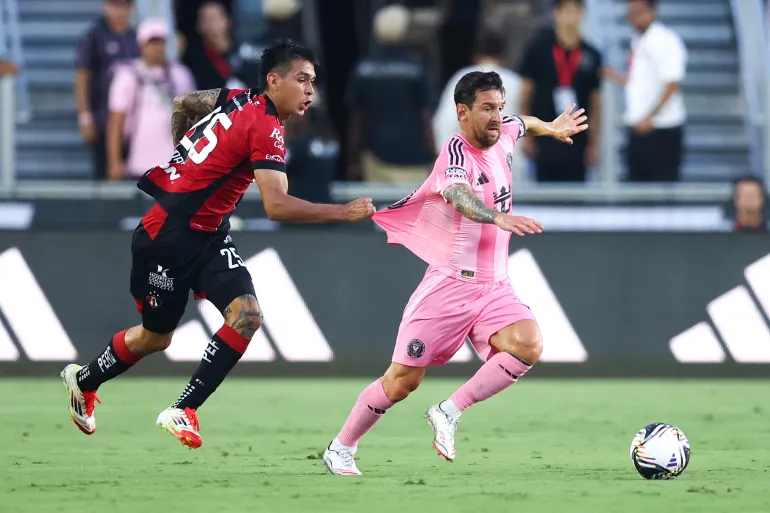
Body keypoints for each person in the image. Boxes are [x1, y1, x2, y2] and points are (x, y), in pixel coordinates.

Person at [60, 40, 376, 450]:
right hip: (167, 237)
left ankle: (183, 409)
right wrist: (342, 212)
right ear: (273, 80)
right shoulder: (265, 126)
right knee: (155, 338)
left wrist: (183, 157)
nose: (310, 90)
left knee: (247, 315)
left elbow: (184, 103)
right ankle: (83, 380)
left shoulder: (235, 97)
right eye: (301, 80)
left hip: (209, 234)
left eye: (313, 81)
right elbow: (277, 205)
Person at [322, 71, 587, 475]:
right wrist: (496, 216)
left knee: (527, 344)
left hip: (495, 286)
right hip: (450, 285)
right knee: (401, 382)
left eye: (499, 107)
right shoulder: (455, 152)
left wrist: (549, 127)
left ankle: (449, 410)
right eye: (487, 109)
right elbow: (460, 197)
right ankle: (342, 447)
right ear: (462, 112)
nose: (497, 117)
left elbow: (524, 123)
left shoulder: (505, 132)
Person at [518, 0, 602, 182]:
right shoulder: (538, 50)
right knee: (545, 190)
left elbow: (595, 102)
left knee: (577, 190)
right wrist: (526, 136)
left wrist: (594, 143)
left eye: (574, 11)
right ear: (555, 14)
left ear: (582, 14)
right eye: (565, 11)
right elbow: (526, 95)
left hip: (577, 138)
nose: (570, 17)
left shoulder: (591, 55)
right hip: (544, 134)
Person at [604, 0, 687, 182]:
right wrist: (617, 77)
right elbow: (639, 82)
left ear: (652, 11)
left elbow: (672, 82)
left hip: (661, 128)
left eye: (639, 12)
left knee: (661, 185)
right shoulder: (638, 40)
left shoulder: (665, 40)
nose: (634, 18)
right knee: (637, 185)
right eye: (630, 13)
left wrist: (651, 117)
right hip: (637, 125)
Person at [106, 19, 196, 180]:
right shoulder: (129, 75)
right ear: (142, 45)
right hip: (140, 163)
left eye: (160, 42)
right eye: (152, 42)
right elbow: (116, 121)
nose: (157, 48)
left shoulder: (181, 74)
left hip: (177, 164)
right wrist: (114, 161)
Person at [432, 33, 526, 180]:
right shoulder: (516, 82)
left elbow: (444, 123)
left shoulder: (462, 78)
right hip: (511, 170)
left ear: (475, 56)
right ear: (503, 58)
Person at [75, 0, 140, 180]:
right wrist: (85, 116)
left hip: (133, 119)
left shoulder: (137, 38)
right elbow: (82, 76)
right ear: (105, 6)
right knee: (105, 173)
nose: (119, 11)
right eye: (114, 5)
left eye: (123, 5)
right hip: (103, 116)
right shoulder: (94, 37)